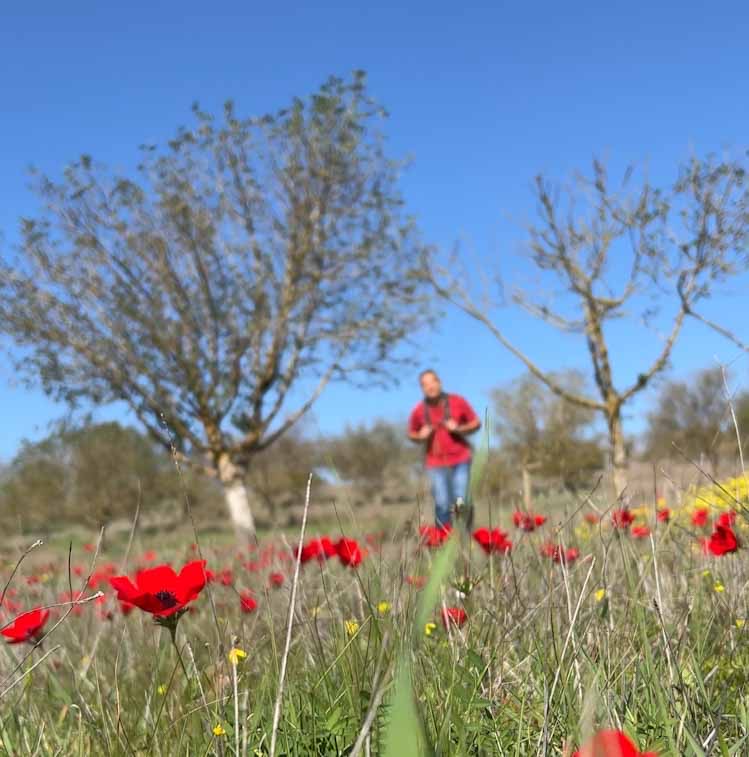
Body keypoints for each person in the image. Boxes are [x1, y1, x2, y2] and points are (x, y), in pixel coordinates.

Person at [407, 369, 481, 528]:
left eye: (432, 382)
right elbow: (411, 434)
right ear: (422, 388)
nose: (430, 387)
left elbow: (476, 423)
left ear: (439, 382)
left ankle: (463, 537)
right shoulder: (418, 410)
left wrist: (459, 429)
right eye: (424, 384)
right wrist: (420, 436)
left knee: (460, 498)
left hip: (460, 458)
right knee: (441, 502)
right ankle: (442, 540)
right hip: (434, 463)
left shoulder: (457, 401)